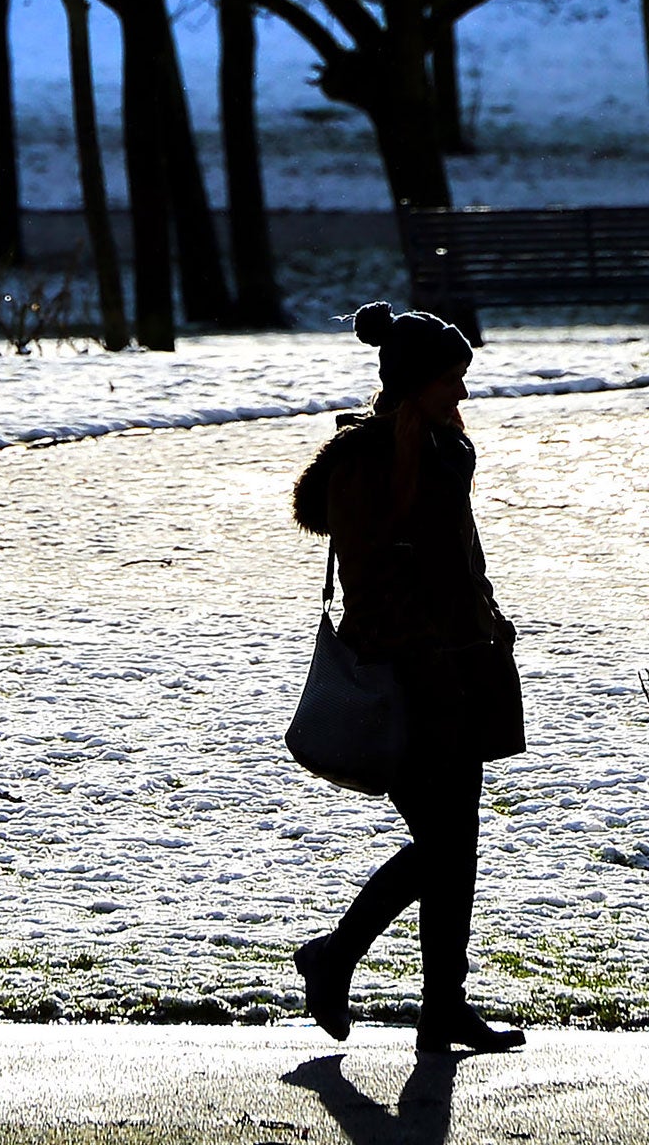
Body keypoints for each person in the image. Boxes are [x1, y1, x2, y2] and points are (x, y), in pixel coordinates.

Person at [290, 302, 527, 1053]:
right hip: (407, 673)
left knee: (455, 844)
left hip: (459, 667)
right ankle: (335, 958)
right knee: (445, 844)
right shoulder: (367, 463)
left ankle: (438, 1007)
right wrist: (430, 647)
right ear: (414, 383)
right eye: (450, 381)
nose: (462, 395)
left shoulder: (438, 449)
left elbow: (459, 563)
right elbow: (375, 580)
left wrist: (487, 627)